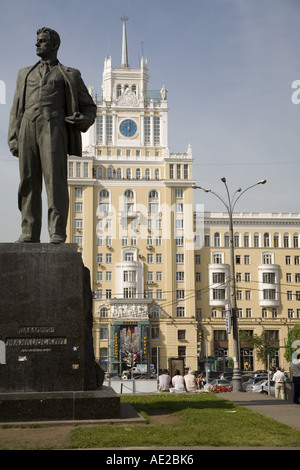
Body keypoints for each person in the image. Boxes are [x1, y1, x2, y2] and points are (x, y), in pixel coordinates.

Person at [8, 27, 96, 244]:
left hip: (54, 127)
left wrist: (82, 120)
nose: (37, 44)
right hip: (27, 127)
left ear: (55, 45)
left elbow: (89, 107)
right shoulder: (23, 73)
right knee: (28, 181)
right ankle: (29, 231)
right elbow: (16, 108)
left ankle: (57, 230)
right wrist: (13, 136)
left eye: (43, 41)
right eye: (37, 41)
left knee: (55, 181)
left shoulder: (70, 74)